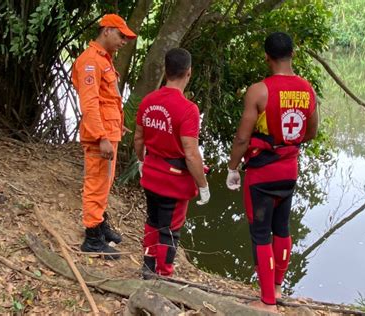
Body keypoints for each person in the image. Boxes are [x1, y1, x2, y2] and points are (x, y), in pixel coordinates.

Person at [226, 32, 318, 313]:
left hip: (262, 174)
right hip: (289, 170)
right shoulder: (307, 89)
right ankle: (278, 286)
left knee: (261, 234)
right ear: (293, 54)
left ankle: (267, 302)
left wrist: (232, 168)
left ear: (267, 56)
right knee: (282, 228)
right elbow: (311, 132)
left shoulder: (259, 90)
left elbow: (242, 138)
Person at [134, 48, 210, 277]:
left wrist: (141, 161)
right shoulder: (188, 109)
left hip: (152, 174)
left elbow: (138, 138)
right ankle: (164, 272)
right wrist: (203, 185)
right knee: (170, 230)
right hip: (173, 181)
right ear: (189, 72)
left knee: (153, 222)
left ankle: (148, 265)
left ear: (166, 71)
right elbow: (191, 153)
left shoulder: (148, 100)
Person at [71, 14, 137, 260]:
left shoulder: (104, 60)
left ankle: (100, 224)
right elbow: (89, 104)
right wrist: (102, 136)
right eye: (121, 36)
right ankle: (92, 239)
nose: (124, 41)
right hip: (101, 136)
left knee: (104, 183)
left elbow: (108, 100)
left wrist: (117, 127)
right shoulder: (90, 61)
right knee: (96, 184)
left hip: (109, 132)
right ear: (107, 30)